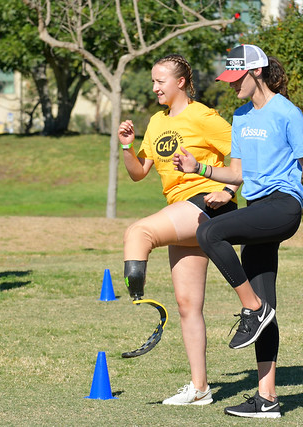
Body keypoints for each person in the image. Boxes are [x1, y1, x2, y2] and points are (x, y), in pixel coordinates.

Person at [173, 44, 303, 418]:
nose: (232, 86)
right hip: (257, 208)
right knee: (267, 303)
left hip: (284, 207)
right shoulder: (241, 115)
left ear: (257, 73)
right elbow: (238, 173)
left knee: (209, 233)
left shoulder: (286, 112)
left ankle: (252, 307)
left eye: (237, 79)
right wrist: (198, 168)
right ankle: (268, 398)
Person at [118, 54, 239, 405]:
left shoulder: (203, 116)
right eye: (153, 82)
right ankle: (200, 389)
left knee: (138, 233)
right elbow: (139, 172)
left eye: (160, 81)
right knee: (188, 306)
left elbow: (245, 154)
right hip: (181, 212)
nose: (154, 87)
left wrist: (228, 190)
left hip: (208, 205)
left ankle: (138, 299)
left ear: (181, 82)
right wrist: (127, 145)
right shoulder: (156, 122)